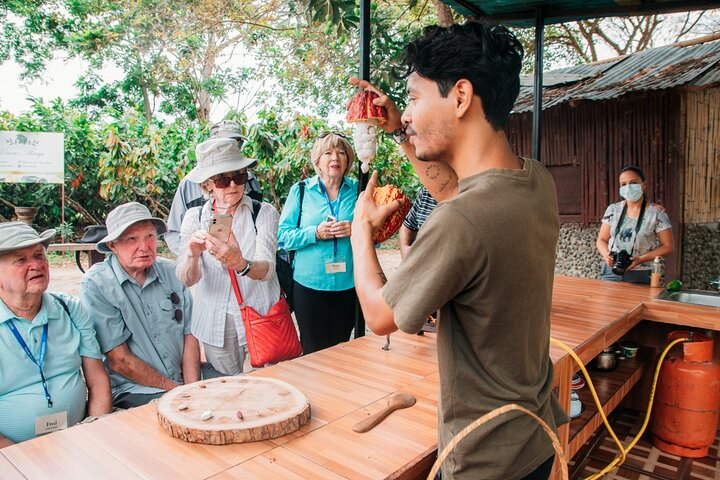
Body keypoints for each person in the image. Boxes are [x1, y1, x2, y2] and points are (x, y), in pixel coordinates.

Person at [349, 22, 566, 480]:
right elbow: (456, 195)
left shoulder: (460, 221)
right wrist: (397, 135)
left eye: (412, 97)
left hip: (483, 460)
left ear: (461, 96)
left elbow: (378, 315)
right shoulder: (535, 181)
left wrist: (358, 233)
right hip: (534, 438)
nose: (405, 113)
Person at [80, 202, 217, 409]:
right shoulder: (98, 284)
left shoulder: (171, 272)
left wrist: (191, 388)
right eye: (132, 239)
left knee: (235, 389)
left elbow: (190, 334)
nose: (144, 247)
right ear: (112, 245)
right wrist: (177, 393)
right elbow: (120, 360)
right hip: (136, 388)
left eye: (150, 237)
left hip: (185, 378)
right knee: (173, 414)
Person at [0, 222, 111, 447]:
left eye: (39, 255)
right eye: (21, 260)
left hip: (79, 435)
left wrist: (95, 433)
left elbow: (98, 380)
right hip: (11, 452)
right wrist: (15, 460)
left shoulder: (70, 309)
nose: (36, 265)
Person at [176, 137, 281, 375]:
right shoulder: (195, 218)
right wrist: (192, 255)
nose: (233, 185)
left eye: (239, 176)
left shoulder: (263, 213)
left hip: (261, 313)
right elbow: (186, 279)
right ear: (208, 185)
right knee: (228, 385)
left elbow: (267, 269)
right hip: (216, 321)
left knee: (268, 380)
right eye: (222, 179)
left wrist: (240, 264)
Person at [277, 132, 358, 354]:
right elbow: (283, 236)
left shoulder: (359, 191)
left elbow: (376, 239)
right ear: (318, 161)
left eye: (341, 153)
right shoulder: (301, 190)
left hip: (348, 284)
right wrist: (315, 233)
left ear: (348, 160)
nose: (335, 158)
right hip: (309, 285)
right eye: (328, 153)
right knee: (313, 351)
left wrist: (355, 230)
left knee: (341, 349)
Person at [165, 120, 263, 255]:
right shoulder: (189, 184)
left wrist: (245, 263)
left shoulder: (250, 180)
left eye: (237, 142)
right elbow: (174, 233)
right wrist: (192, 258)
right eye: (222, 181)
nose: (231, 147)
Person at [596, 166, 674, 283]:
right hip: (612, 271)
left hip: (642, 273)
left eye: (633, 183)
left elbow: (668, 246)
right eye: (623, 184)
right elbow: (601, 239)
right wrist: (606, 255)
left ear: (643, 185)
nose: (628, 187)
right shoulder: (613, 210)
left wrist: (640, 259)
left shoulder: (656, 213)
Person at [398, 186, 438, 258]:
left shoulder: (462, 196)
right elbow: (408, 224)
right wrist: (404, 248)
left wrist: (370, 227)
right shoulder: (426, 192)